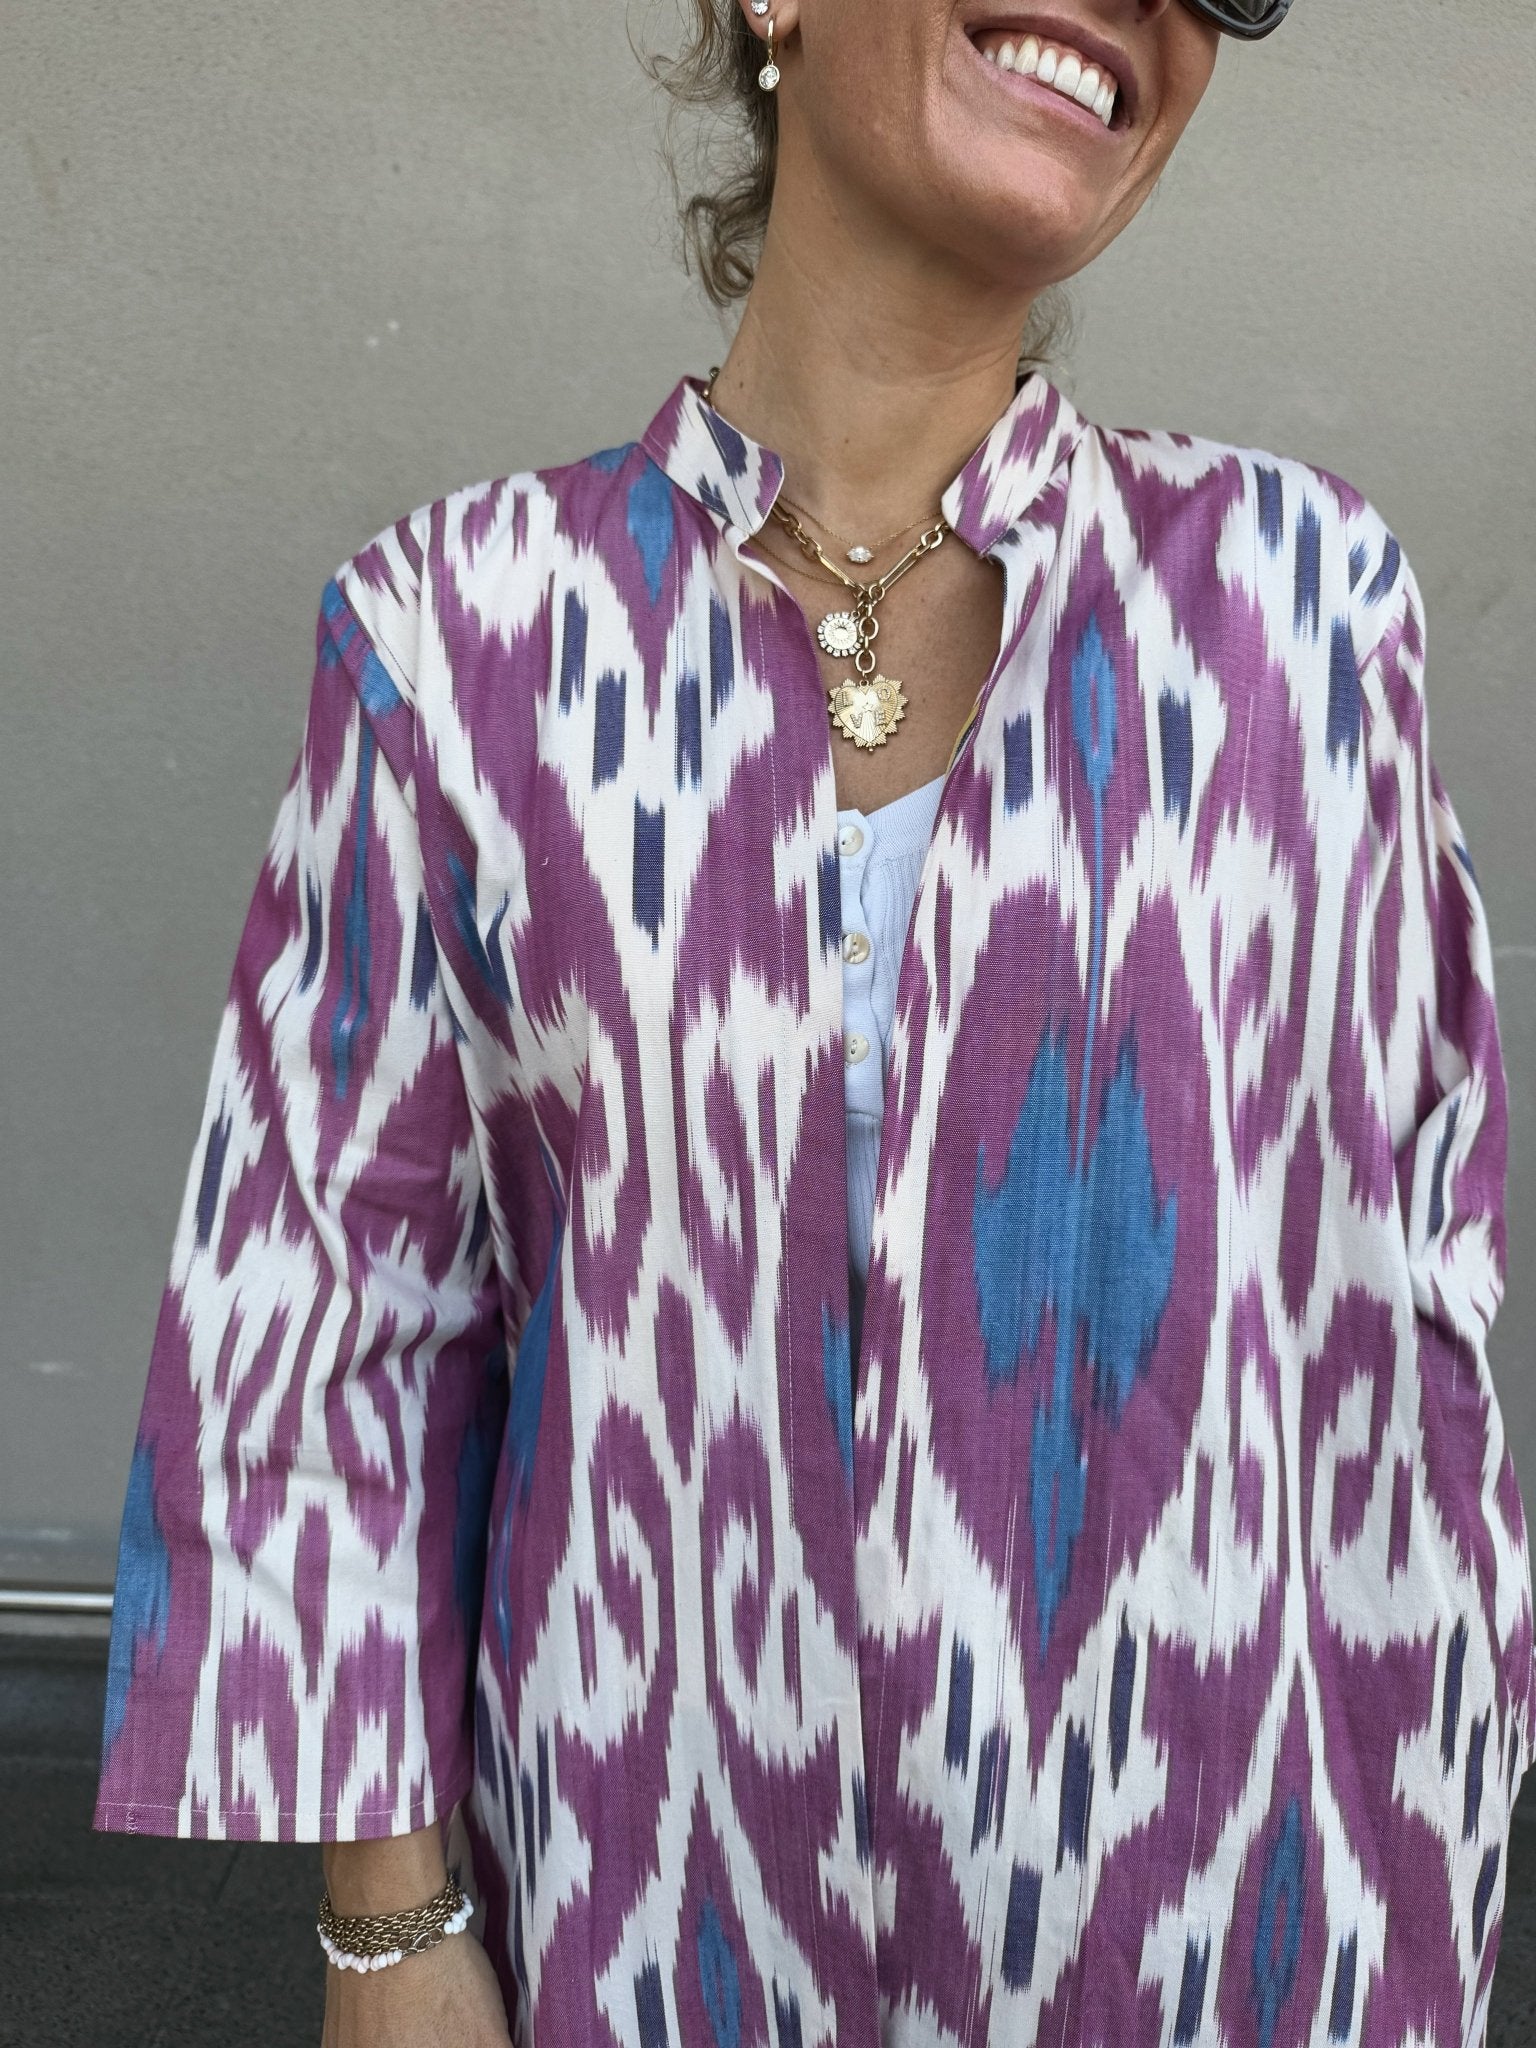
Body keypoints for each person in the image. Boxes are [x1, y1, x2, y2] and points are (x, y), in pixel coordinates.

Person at [94, 1, 1535, 2042]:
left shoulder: (1305, 610)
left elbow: (1415, 1350)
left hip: (1232, 1938)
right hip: (655, 1922)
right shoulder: (458, 641)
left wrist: (1425, 1893)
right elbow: (326, 1319)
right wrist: (389, 1936)